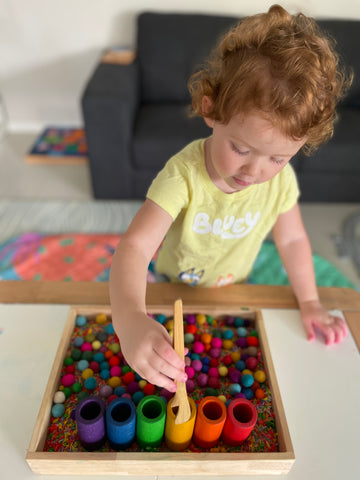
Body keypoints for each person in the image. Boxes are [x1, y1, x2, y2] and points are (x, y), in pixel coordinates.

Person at [110, 4, 352, 392]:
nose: (254, 172)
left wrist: (309, 302)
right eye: (240, 148)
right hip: (172, 288)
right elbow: (135, 247)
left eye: (277, 158)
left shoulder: (280, 182)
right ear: (211, 110)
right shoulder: (183, 175)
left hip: (235, 288)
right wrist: (129, 318)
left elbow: (291, 240)